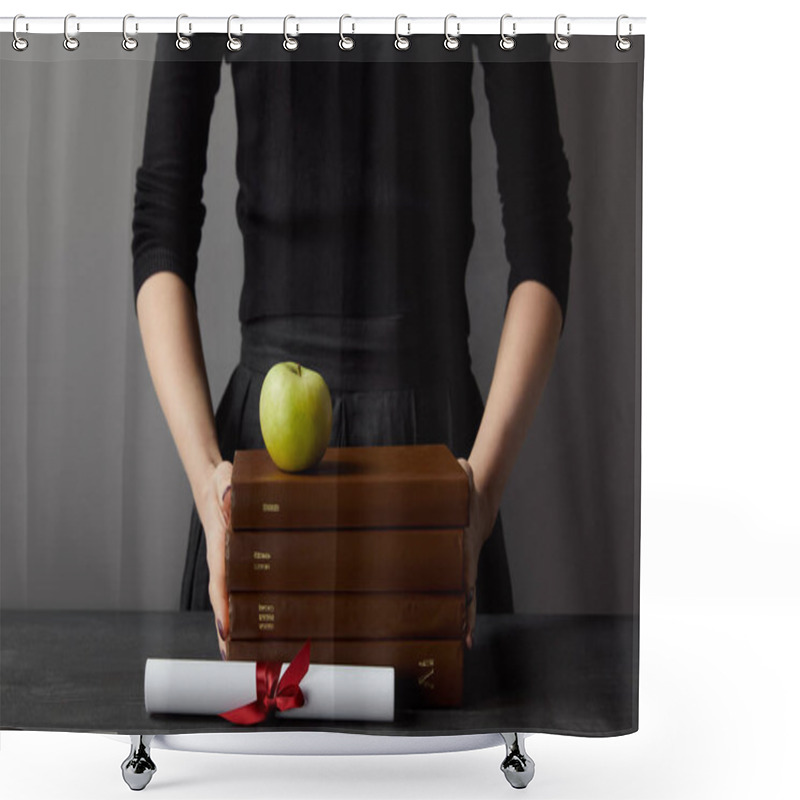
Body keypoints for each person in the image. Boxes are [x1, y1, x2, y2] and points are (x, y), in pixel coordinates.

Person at [132, 32, 571, 660]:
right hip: (284, 462)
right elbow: (160, 228)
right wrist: (210, 487)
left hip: (430, 463)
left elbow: (543, 241)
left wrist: (480, 499)